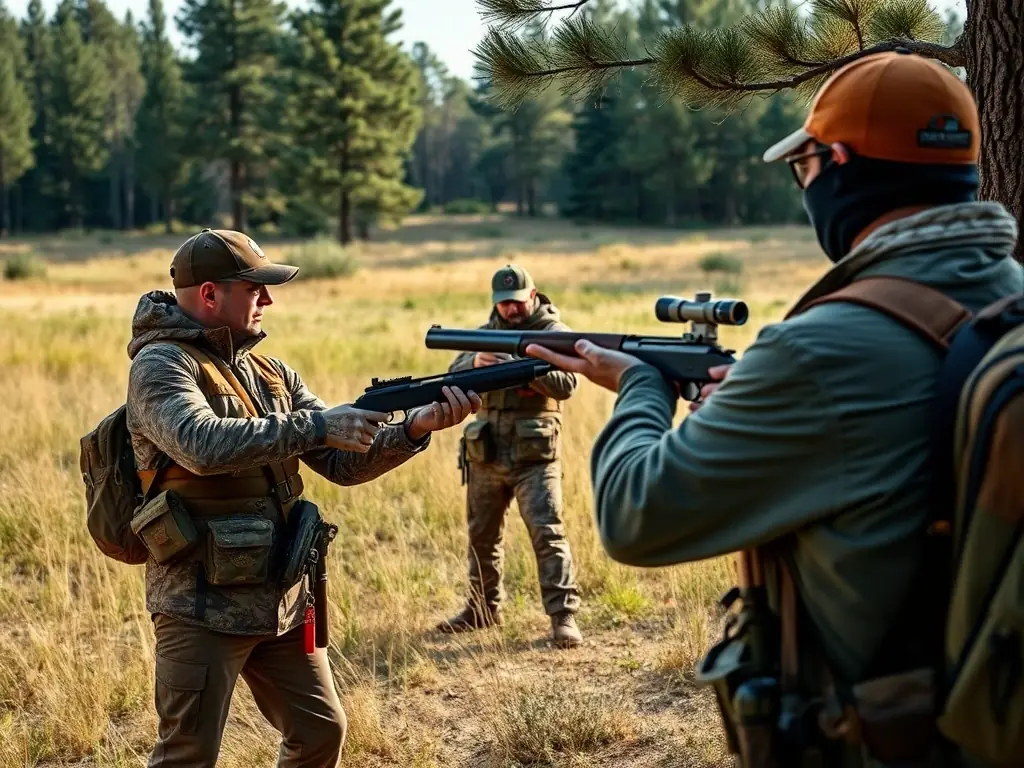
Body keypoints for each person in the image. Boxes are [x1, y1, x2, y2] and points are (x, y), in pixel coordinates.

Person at [525, 51, 1024, 766]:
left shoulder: (818, 351)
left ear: (839, 162)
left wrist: (641, 389)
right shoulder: (1011, 301)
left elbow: (636, 518)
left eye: (805, 166)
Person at [126, 228, 481, 767]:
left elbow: (339, 460)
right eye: (255, 289)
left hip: (280, 596)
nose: (267, 300)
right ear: (209, 294)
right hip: (199, 602)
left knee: (320, 733)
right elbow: (202, 445)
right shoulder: (160, 365)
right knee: (187, 755)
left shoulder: (271, 372)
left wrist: (414, 428)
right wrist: (317, 424)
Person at [435, 264, 583, 649]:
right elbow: (452, 374)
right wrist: (475, 364)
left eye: (517, 303)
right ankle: (481, 611)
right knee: (481, 536)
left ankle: (563, 616)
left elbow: (567, 384)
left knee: (547, 533)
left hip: (535, 454)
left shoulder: (554, 334)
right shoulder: (483, 337)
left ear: (533, 296)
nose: (511, 311)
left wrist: (523, 369)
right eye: (504, 304)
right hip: (485, 451)